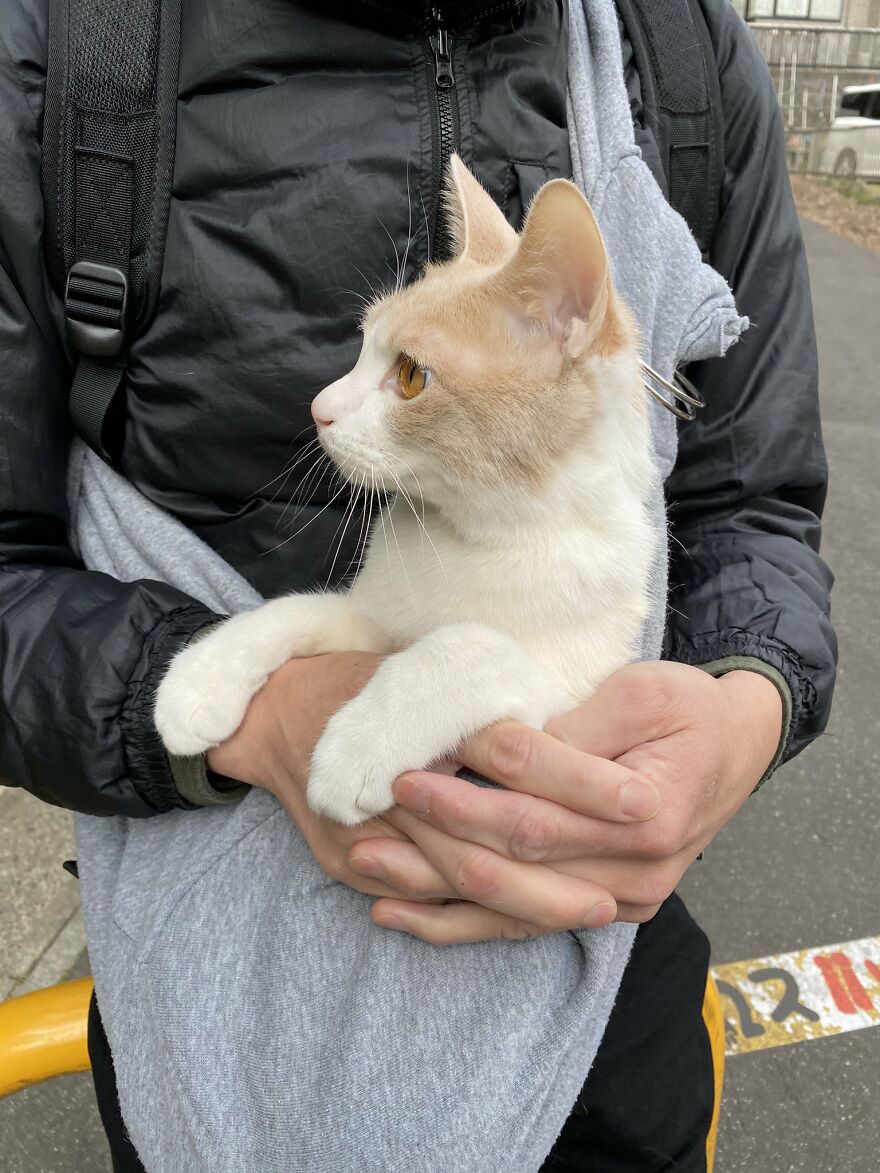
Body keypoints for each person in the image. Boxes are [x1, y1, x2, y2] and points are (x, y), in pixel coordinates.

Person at [0, 1, 834, 1169]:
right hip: (213, 991)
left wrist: (747, 705)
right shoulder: (67, 44)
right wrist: (241, 708)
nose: (325, 404)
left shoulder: (677, 49)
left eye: (396, 374)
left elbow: (752, 501)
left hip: (593, 1014)